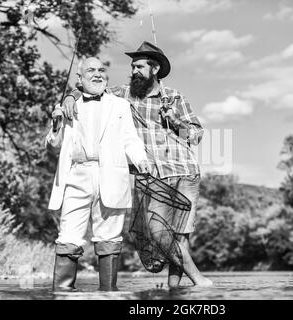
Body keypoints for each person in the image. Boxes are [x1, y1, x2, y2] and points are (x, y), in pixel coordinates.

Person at [62, 42, 213, 287]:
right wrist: (71, 95)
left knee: (180, 238)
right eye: (133, 67)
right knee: (158, 232)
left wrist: (174, 120)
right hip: (151, 175)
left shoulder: (174, 97)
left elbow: (195, 135)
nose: (134, 71)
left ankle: (174, 291)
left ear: (154, 69)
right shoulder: (122, 94)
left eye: (140, 67)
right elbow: (91, 86)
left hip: (185, 172)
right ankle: (200, 281)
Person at [46, 57, 149, 292]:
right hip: (76, 175)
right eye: (90, 70)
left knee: (110, 238)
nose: (97, 74)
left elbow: (129, 139)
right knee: (68, 236)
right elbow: (54, 144)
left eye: (102, 70)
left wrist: (141, 159)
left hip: (112, 174)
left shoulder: (120, 105)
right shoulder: (68, 106)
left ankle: (109, 295)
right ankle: (61, 294)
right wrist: (55, 124)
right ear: (79, 78)